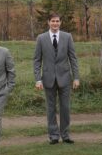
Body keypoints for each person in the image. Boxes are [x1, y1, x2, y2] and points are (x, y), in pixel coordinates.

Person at [33, 12, 80, 144]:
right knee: (51, 108)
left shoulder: (67, 37)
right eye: (53, 21)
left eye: (57, 21)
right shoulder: (41, 38)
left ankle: (65, 135)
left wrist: (76, 77)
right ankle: (53, 135)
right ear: (48, 22)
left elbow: (73, 58)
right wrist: (38, 79)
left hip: (65, 78)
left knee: (65, 108)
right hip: (48, 79)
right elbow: (37, 60)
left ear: (60, 23)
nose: (55, 23)